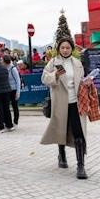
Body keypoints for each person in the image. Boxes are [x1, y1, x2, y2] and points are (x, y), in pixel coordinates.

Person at [40, 37, 89, 179]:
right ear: (58, 49)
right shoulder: (53, 62)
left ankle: (81, 165)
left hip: (76, 102)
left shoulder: (77, 63)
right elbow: (44, 78)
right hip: (60, 102)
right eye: (63, 48)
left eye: (68, 48)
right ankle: (61, 155)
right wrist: (54, 75)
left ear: (72, 49)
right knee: (61, 129)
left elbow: (81, 81)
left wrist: (87, 82)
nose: (65, 50)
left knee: (79, 133)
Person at [4, 54, 21, 127]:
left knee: (15, 106)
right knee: (6, 106)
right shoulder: (4, 68)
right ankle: (8, 121)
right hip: (7, 90)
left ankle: (15, 121)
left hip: (13, 90)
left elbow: (18, 81)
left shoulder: (13, 69)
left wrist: (18, 93)